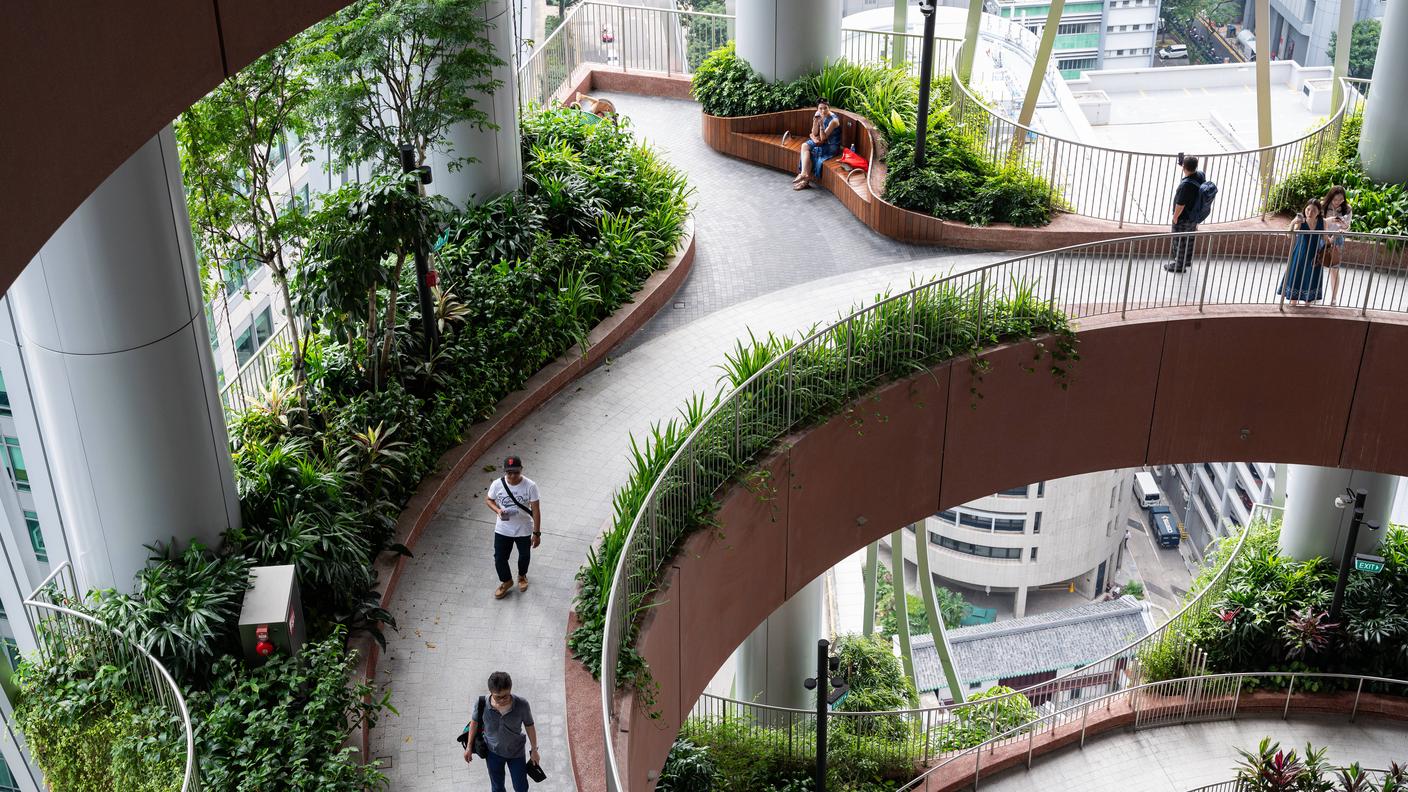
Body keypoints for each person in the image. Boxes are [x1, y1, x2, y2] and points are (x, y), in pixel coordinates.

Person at [463, 672, 540, 792]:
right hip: (492, 753)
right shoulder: (481, 703)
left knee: (521, 787)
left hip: (516, 753)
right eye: (498, 697)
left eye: (506, 695)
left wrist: (534, 750)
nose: (503, 699)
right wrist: (469, 747)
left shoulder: (522, 704)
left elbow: (529, 726)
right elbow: (474, 723)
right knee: (497, 787)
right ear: (490, 692)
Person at [485, 456, 542, 599]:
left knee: (524, 555)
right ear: (505, 471)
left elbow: (535, 510)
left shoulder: (530, 486)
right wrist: (498, 510)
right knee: (499, 558)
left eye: (516, 472)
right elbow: (489, 500)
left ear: (521, 470)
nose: (512, 476)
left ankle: (522, 576)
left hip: (523, 528)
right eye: (509, 472)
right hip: (503, 528)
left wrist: (537, 533)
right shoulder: (497, 484)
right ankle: (506, 581)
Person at [1277, 199, 1326, 306]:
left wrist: (1338, 234)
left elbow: (1326, 239)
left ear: (1319, 211)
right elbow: (1290, 235)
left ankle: (1307, 308)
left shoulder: (1322, 222)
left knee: (1311, 279)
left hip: (1315, 256)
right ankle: (1293, 307)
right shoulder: (1301, 221)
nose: (1310, 213)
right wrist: (1293, 222)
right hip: (1300, 255)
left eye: (1313, 210)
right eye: (1308, 209)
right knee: (1296, 277)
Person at [1165, 155, 1206, 273]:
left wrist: (1175, 217)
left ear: (1184, 167)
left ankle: (1179, 266)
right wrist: (1184, 165)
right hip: (1194, 216)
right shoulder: (1200, 175)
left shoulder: (1185, 186)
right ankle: (1187, 261)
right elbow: (1192, 172)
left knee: (1179, 240)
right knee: (1190, 238)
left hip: (1183, 218)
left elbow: (1180, 204)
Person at [793, 98, 841, 191]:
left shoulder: (834, 121)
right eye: (820, 108)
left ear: (829, 108)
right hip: (821, 142)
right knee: (804, 146)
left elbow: (823, 138)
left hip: (831, 146)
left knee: (811, 153)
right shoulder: (818, 115)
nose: (823, 111)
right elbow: (814, 133)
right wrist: (815, 121)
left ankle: (805, 182)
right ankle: (803, 174)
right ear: (817, 109)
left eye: (825, 108)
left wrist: (821, 125)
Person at [1321, 185, 1351, 306]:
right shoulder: (1323, 206)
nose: (1338, 202)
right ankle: (1311, 294)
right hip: (1322, 237)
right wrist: (1326, 237)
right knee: (1315, 266)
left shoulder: (1347, 208)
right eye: (1335, 199)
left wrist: (1343, 225)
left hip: (1337, 239)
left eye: (1341, 199)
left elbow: (1347, 227)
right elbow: (1319, 222)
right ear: (1330, 197)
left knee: (1334, 269)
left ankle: (1333, 298)